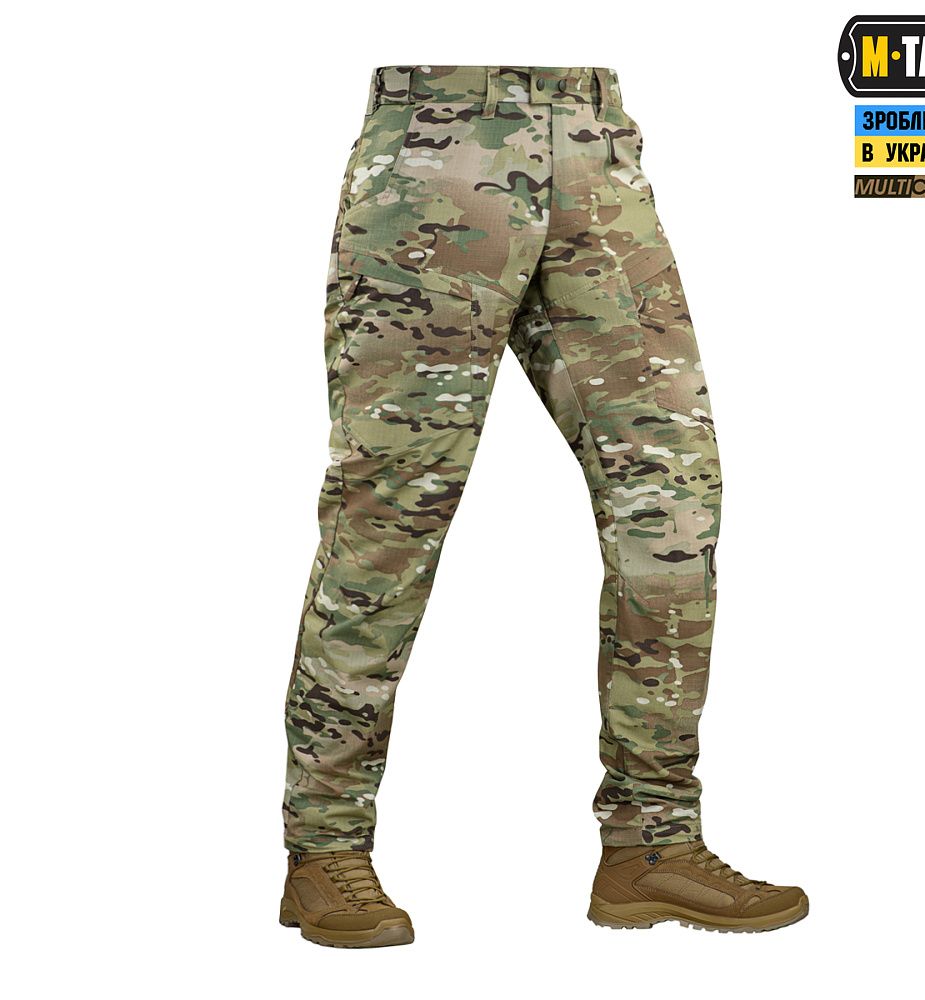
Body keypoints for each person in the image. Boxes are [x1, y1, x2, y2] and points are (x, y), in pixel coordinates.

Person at [280, 66, 807, 948]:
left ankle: (652, 842)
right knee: (390, 519)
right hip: (434, 148)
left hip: (594, 145)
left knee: (673, 503)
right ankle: (323, 847)